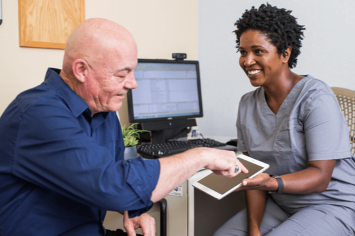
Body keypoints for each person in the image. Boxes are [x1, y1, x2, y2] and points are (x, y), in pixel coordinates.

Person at [0, 18, 248, 236]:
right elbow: (112, 184)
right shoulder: (37, 113)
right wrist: (200, 156)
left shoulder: (104, 111)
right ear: (81, 70)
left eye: (133, 72)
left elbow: (104, 175)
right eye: (122, 75)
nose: (133, 84)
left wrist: (134, 209)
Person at [213, 3, 355, 236]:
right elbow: (252, 174)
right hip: (281, 204)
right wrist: (254, 228)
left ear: (285, 54)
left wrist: (272, 183)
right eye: (242, 52)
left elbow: (320, 177)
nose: (247, 61)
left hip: (331, 204)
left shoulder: (316, 98)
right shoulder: (247, 104)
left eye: (258, 51)